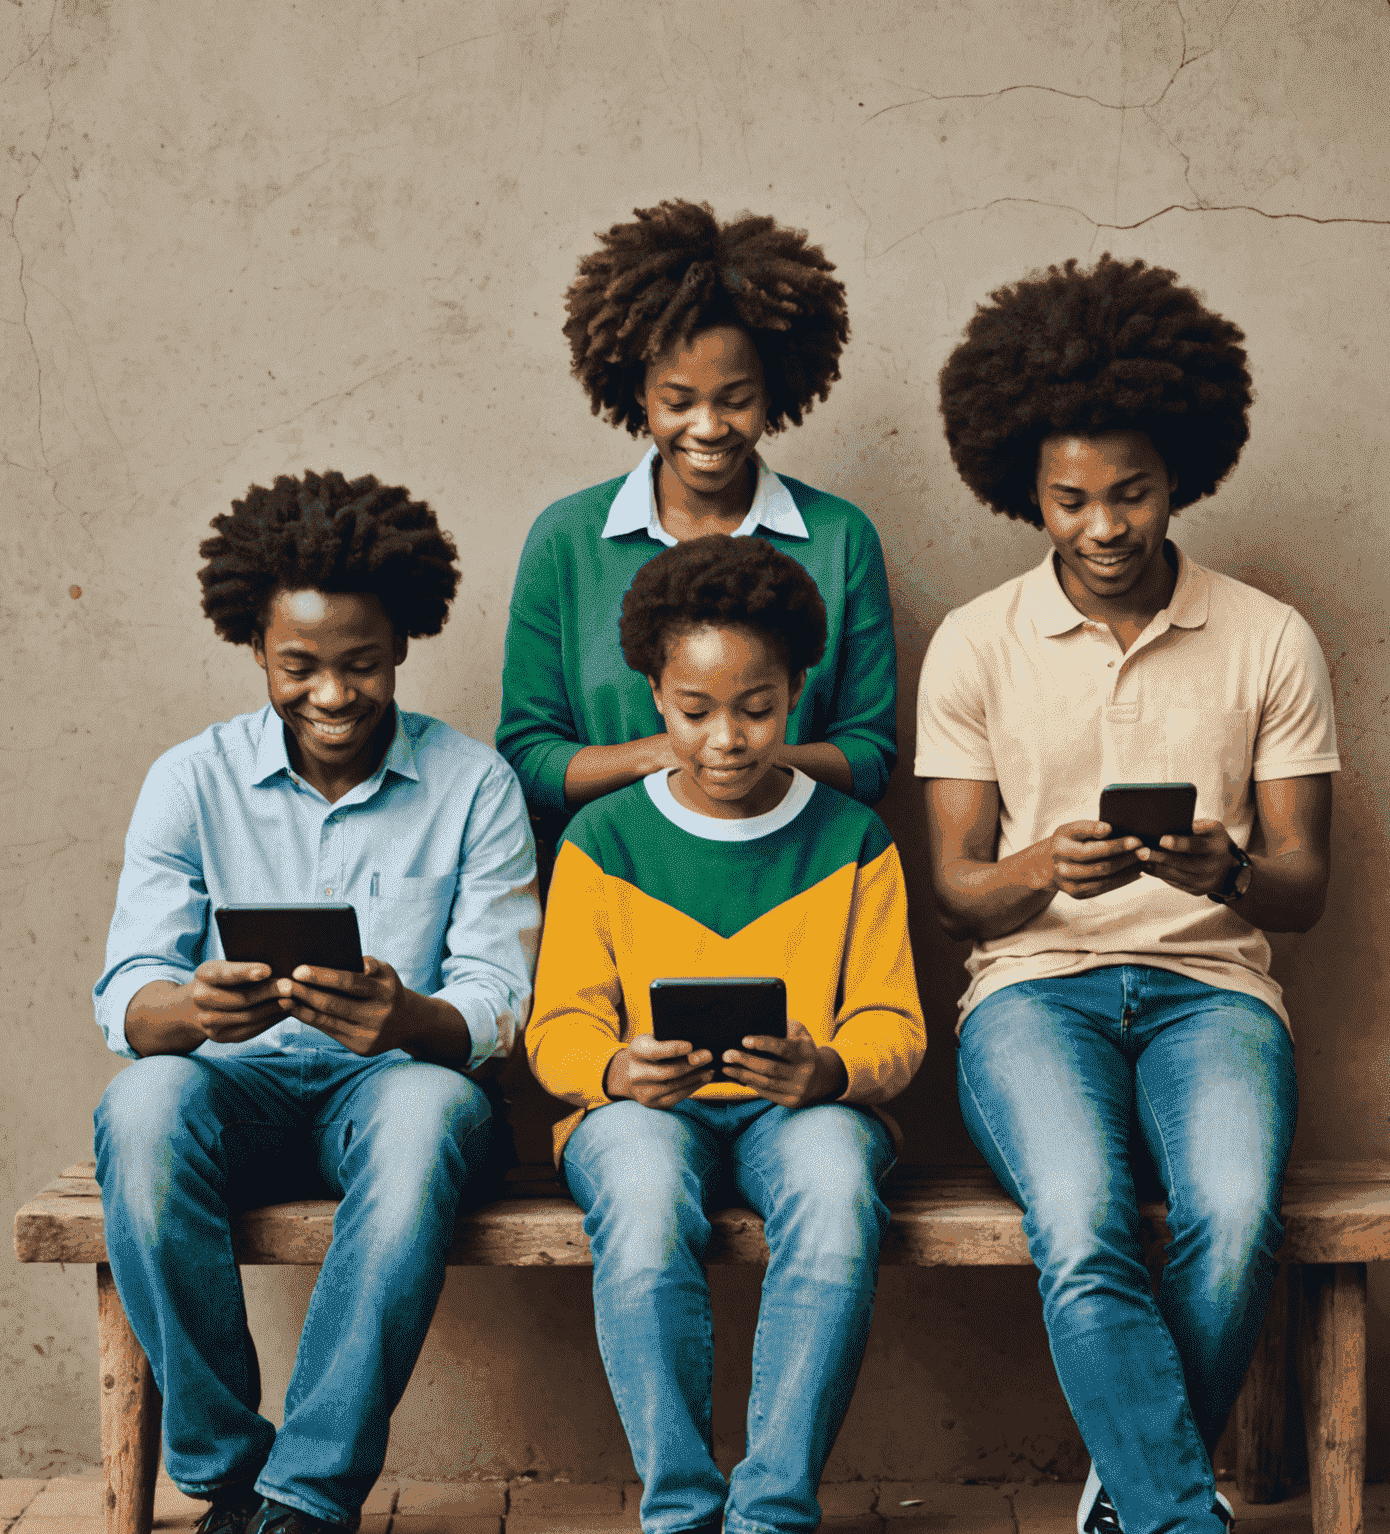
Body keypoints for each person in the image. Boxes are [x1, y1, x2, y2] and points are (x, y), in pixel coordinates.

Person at [917, 256, 1339, 1534]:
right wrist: (1044, 868)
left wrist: (1232, 872)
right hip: (1032, 994)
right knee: (1086, 1220)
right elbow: (956, 893)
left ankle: (1133, 1492)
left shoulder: (1269, 637)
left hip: (1213, 988)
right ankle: (1173, 1512)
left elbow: (1307, 887)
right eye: (1070, 500)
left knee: (1231, 1213)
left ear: (1183, 478)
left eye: (1134, 494)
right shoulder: (977, 644)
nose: (1105, 527)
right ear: (1025, 495)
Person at [91, 472, 541, 1534]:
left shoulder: (472, 786)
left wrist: (410, 1019)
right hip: (233, 1094)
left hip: (396, 1097)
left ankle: (304, 1497)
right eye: (300, 666)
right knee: (143, 1106)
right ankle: (230, 1471)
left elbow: (499, 1000)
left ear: (403, 648)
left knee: (428, 1107)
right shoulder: (190, 783)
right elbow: (126, 1001)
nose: (333, 695)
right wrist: (197, 1009)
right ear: (255, 647)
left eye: (362, 665)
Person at [526, 535, 926, 1534]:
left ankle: (773, 1512)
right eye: (695, 712)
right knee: (642, 1195)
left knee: (838, 1196)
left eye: (756, 709)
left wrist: (828, 1066)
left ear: (795, 692)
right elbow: (561, 1023)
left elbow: (893, 1020)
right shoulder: (603, 839)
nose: (726, 740)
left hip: (807, 1111)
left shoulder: (852, 840)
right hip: (644, 1112)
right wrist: (614, 1067)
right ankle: (680, 1510)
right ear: (654, 699)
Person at [497, 198, 898, 855]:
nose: (708, 428)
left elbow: (870, 755)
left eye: (735, 400)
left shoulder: (839, 539)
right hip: (614, 880)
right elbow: (528, 758)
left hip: (797, 871)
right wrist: (666, 754)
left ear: (775, 390)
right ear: (636, 393)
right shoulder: (566, 541)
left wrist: (753, 761)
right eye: (678, 402)